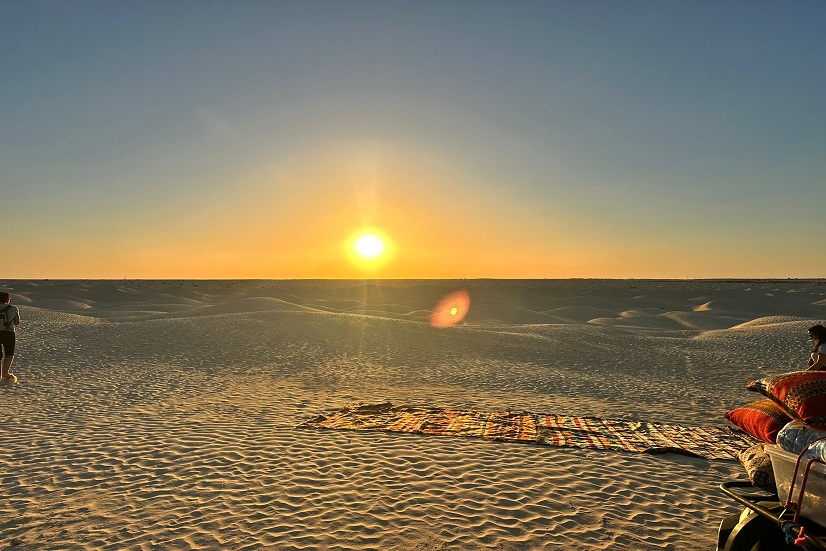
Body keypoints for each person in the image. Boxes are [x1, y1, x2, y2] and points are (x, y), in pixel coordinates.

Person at [0, 292, 20, 381]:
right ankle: (5, 372)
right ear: (8, 299)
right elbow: (17, 322)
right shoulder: (13, 309)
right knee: (9, 353)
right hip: (9, 333)